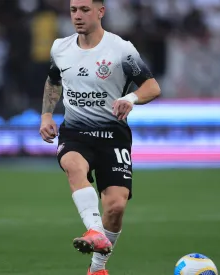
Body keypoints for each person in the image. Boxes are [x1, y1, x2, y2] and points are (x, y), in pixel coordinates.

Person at [39, 0, 161, 274]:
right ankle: (94, 229)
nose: (78, 16)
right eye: (73, 10)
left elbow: (152, 87)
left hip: (113, 136)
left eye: (84, 10)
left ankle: (97, 268)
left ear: (100, 11)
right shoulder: (60, 48)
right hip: (76, 132)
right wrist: (47, 115)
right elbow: (53, 81)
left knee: (116, 207)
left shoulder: (121, 49)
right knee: (73, 165)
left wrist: (130, 98)